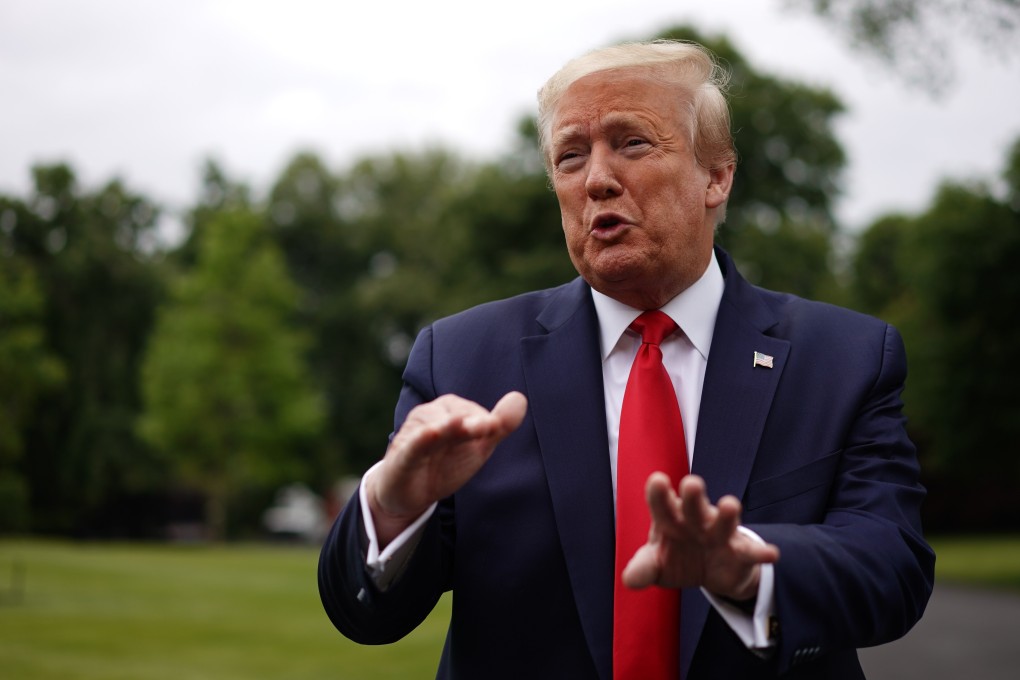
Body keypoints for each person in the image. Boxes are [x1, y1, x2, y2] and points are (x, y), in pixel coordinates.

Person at [318, 40, 934, 679]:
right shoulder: (462, 361)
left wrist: (749, 567)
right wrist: (391, 508)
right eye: (570, 156)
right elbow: (366, 616)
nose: (596, 179)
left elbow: (892, 566)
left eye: (632, 143)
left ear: (716, 177)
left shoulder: (844, 359)